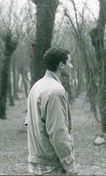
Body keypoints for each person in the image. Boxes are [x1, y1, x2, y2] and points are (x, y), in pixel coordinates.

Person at [27, 47, 76, 175]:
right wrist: (70, 165)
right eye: (69, 62)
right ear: (61, 65)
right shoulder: (55, 91)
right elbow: (58, 132)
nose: (71, 66)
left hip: (36, 162)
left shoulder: (36, 86)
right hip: (51, 166)